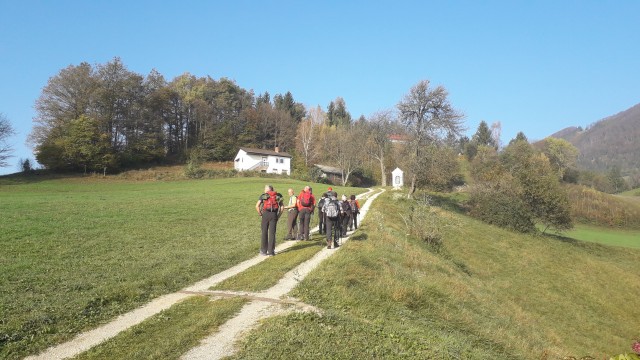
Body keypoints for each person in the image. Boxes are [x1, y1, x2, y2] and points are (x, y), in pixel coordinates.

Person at [255, 184, 283, 256]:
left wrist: (260, 214)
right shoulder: (278, 195)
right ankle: (271, 251)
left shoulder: (263, 195)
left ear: (267, 190)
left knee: (264, 232)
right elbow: (282, 207)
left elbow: (257, 206)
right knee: (272, 233)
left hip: (265, 214)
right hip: (274, 215)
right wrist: (278, 216)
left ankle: (263, 251)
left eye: (265, 189)